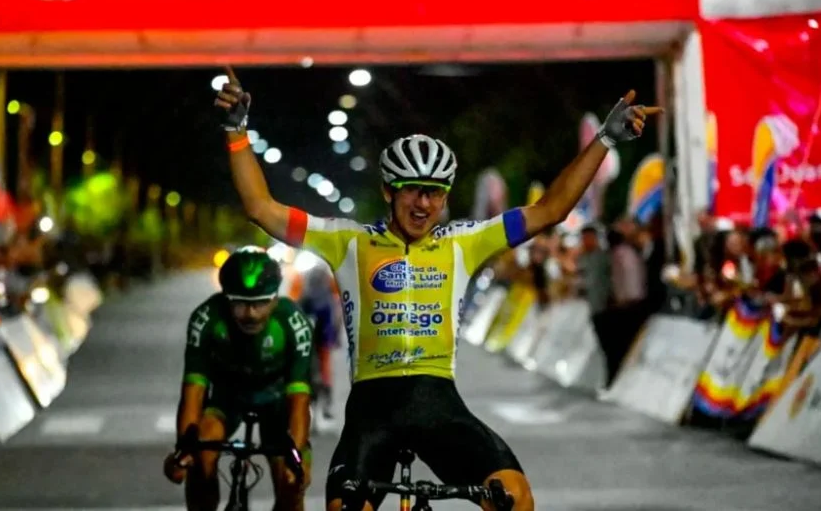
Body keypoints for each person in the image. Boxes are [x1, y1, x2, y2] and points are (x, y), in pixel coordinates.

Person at [214, 67, 661, 511]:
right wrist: (236, 132)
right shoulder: (345, 239)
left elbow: (550, 210)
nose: (423, 204)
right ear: (388, 190)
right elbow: (260, 208)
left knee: (515, 496)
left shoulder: (464, 242)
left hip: (438, 404)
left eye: (434, 192)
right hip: (373, 410)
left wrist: (605, 139)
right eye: (412, 191)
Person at [163, 246, 314, 511]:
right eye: (240, 302)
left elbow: (299, 399)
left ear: (276, 299)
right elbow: (193, 392)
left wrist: (296, 455)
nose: (250, 313)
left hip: (277, 403)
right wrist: (184, 449)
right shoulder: (207, 318)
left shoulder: (293, 322)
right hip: (227, 399)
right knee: (199, 458)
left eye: (260, 303)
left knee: (292, 483)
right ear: (225, 298)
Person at [297, 267, 341, 429]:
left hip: (314, 326)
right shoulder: (328, 280)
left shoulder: (305, 280)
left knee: (316, 364)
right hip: (323, 326)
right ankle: (327, 404)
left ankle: (323, 402)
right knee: (324, 366)